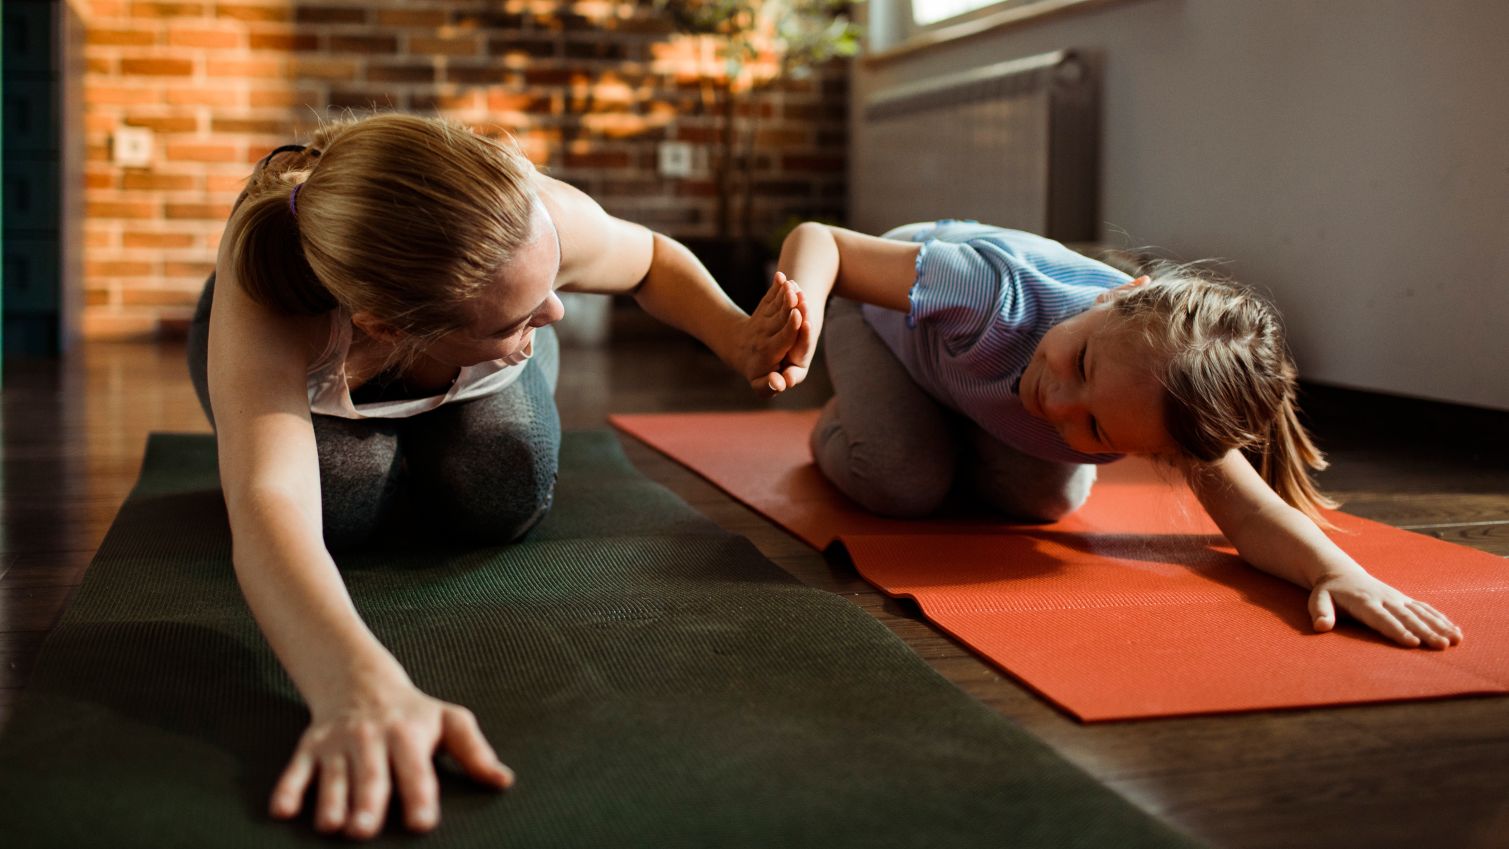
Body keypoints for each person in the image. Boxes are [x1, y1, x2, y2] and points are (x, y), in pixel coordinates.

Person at [188, 113, 809, 840]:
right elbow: (270, 499)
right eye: (518, 314)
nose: (556, 311)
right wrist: (355, 686)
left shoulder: (532, 216)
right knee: (339, 497)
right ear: (386, 325)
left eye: (550, 283)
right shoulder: (275, 295)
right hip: (332, 368)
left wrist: (737, 335)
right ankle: (384, 443)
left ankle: (448, 409)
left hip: (465, 358)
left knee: (499, 487)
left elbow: (647, 259)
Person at [771, 218, 1463, 653]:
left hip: (971, 388)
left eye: (1097, 427)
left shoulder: (1168, 392)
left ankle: (950, 424)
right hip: (881, 321)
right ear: (1115, 296)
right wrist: (791, 326)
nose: (1057, 403)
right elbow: (820, 239)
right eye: (1079, 363)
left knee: (1042, 502)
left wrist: (1338, 572)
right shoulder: (993, 291)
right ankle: (842, 424)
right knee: (906, 482)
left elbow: (1250, 513)